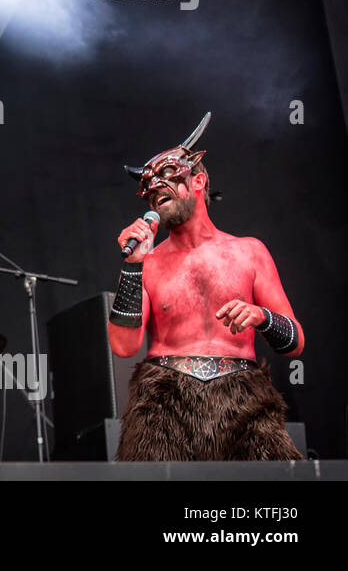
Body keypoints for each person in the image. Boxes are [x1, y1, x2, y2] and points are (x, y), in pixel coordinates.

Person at [109, 113, 303, 460]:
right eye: (151, 195)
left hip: (245, 401)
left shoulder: (249, 251)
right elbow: (124, 347)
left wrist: (261, 316)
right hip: (163, 406)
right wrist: (133, 265)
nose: (157, 195)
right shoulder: (147, 264)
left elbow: (295, 342)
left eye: (166, 184)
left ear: (197, 182)